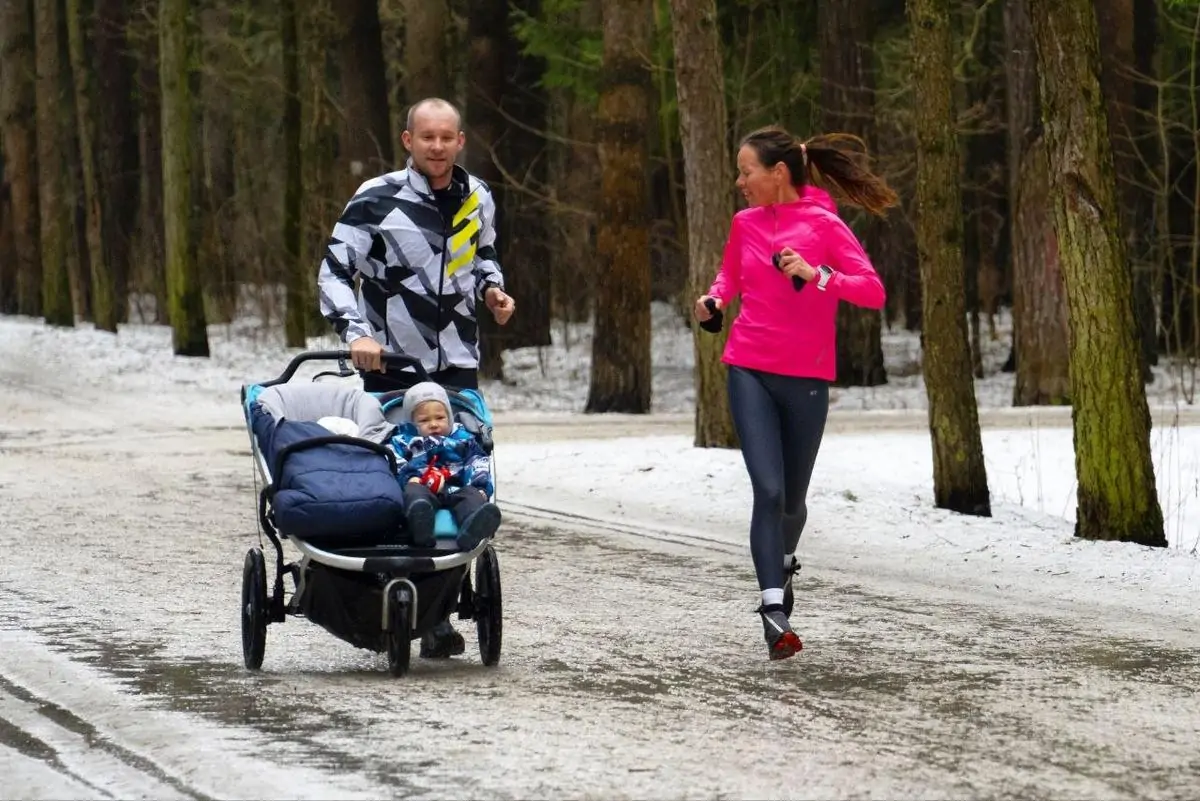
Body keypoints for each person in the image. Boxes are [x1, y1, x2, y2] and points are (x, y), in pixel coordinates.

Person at [317, 97, 515, 659]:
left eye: (447, 137)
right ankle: (394, 602)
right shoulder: (376, 198)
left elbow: (484, 257)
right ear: (408, 141)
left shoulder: (478, 196)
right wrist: (356, 332)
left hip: (456, 359)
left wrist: (493, 291)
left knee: (456, 467)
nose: (437, 146)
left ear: (460, 141)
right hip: (392, 361)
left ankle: (436, 611)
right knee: (401, 470)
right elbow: (334, 271)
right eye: (426, 136)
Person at [694, 126, 898, 661]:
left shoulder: (825, 225)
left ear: (778, 172)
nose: (740, 182)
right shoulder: (744, 223)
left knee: (792, 501)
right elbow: (729, 277)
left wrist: (818, 274)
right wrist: (713, 301)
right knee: (767, 490)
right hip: (749, 368)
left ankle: (782, 565)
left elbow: (873, 291)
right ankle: (772, 613)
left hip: (806, 377)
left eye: (746, 172)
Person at [390, 381, 501, 551]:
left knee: (472, 496)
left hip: (457, 488)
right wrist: (410, 477)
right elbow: (394, 461)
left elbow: (477, 461)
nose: (434, 424)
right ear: (411, 423)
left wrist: (480, 486)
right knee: (413, 494)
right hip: (422, 485)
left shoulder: (463, 439)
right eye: (424, 420)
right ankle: (420, 525)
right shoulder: (404, 441)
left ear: (449, 417)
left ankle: (471, 528)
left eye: (440, 418)